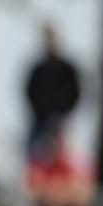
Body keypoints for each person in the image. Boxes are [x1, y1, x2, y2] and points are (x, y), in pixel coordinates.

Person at [25, 23, 80, 159]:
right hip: (40, 119)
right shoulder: (38, 69)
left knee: (63, 154)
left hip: (61, 118)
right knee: (34, 153)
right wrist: (39, 109)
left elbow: (75, 91)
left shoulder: (67, 69)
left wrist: (64, 108)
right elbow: (30, 91)